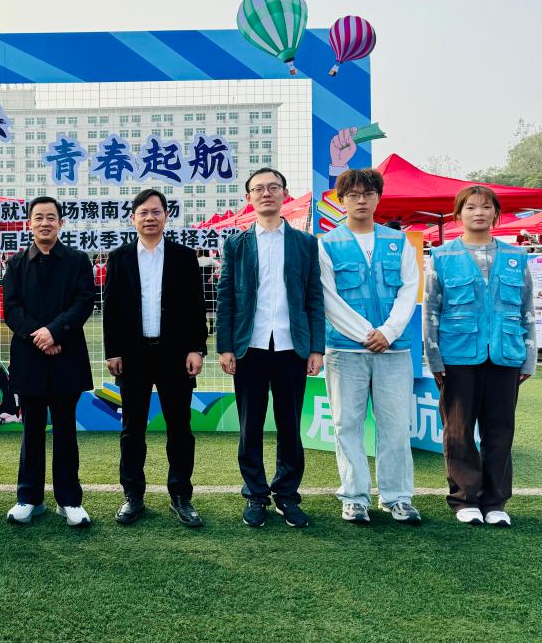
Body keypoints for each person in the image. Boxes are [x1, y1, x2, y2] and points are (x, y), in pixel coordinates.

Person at [216, 168, 324, 529]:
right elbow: (226, 298)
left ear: (284, 194)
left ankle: (287, 494)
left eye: (273, 187)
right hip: (250, 346)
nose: (266, 193)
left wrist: (317, 347)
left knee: (290, 425)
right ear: (249, 197)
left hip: (293, 347)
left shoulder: (304, 243)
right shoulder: (237, 244)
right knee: (250, 425)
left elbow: (314, 297)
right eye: (258, 189)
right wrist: (225, 346)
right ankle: (256, 494)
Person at [425, 185, 536, 527]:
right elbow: (431, 311)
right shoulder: (442, 257)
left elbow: (526, 311)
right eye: (470, 207)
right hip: (457, 356)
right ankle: (465, 499)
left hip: (506, 355)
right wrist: (434, 358)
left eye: (486, 207)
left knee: (500, 431)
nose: (478, 212)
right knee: (458, 431)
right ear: (459, 214)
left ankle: (495, 501)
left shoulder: (517, 257)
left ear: (496, 214)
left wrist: (528, 357)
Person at [320, 169, 421, 525]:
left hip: (393, 350)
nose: (361, 200)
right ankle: (354, 497)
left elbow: (409, 290)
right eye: (353, 194)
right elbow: (328, 298)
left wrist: (388, 332)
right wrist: (367, 333)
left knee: (396, 426)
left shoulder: (399, 242)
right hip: (345, 351)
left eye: (368, 193)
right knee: (346, 424)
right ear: (341, 200)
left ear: (378, 197)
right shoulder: (327, 244)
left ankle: (397, 497)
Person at [104, 189, 207, 528]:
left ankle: (181, 496)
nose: (150, 218)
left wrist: (196, 348)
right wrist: (113, 352)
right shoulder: (119, 258)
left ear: (166, 216)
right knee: (132, 430)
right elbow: (111, 309)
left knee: (180, 429)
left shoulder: (183, 257)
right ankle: (133, 496)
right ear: (133, 218)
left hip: (175, 355)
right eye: (143, 212)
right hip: (133, 356)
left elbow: (196, 306)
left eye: (156, 212)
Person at [2, 196, 95, 527]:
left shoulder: (77, 261)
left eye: (51, 217)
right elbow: (11, 308)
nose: (45, 223)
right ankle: (29, 498)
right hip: (30, 358)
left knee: (66, 430)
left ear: (60, 223)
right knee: (32, 430)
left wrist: (54, 332)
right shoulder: (16, 263)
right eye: (38, 217)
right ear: (29, 223)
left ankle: (69, 500)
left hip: (66, 356)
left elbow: (84, 302)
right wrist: (39, 336)